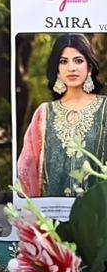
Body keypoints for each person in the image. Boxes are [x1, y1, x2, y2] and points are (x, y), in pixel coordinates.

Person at [18, 34, 107, 197]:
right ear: (57, 70)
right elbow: (27, 168)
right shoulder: (44, 113)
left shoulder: (105, 109)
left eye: (78, 61)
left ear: (89, 67)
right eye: (63, 61)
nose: (71, 68)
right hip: (51, 211)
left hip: (98, 210)